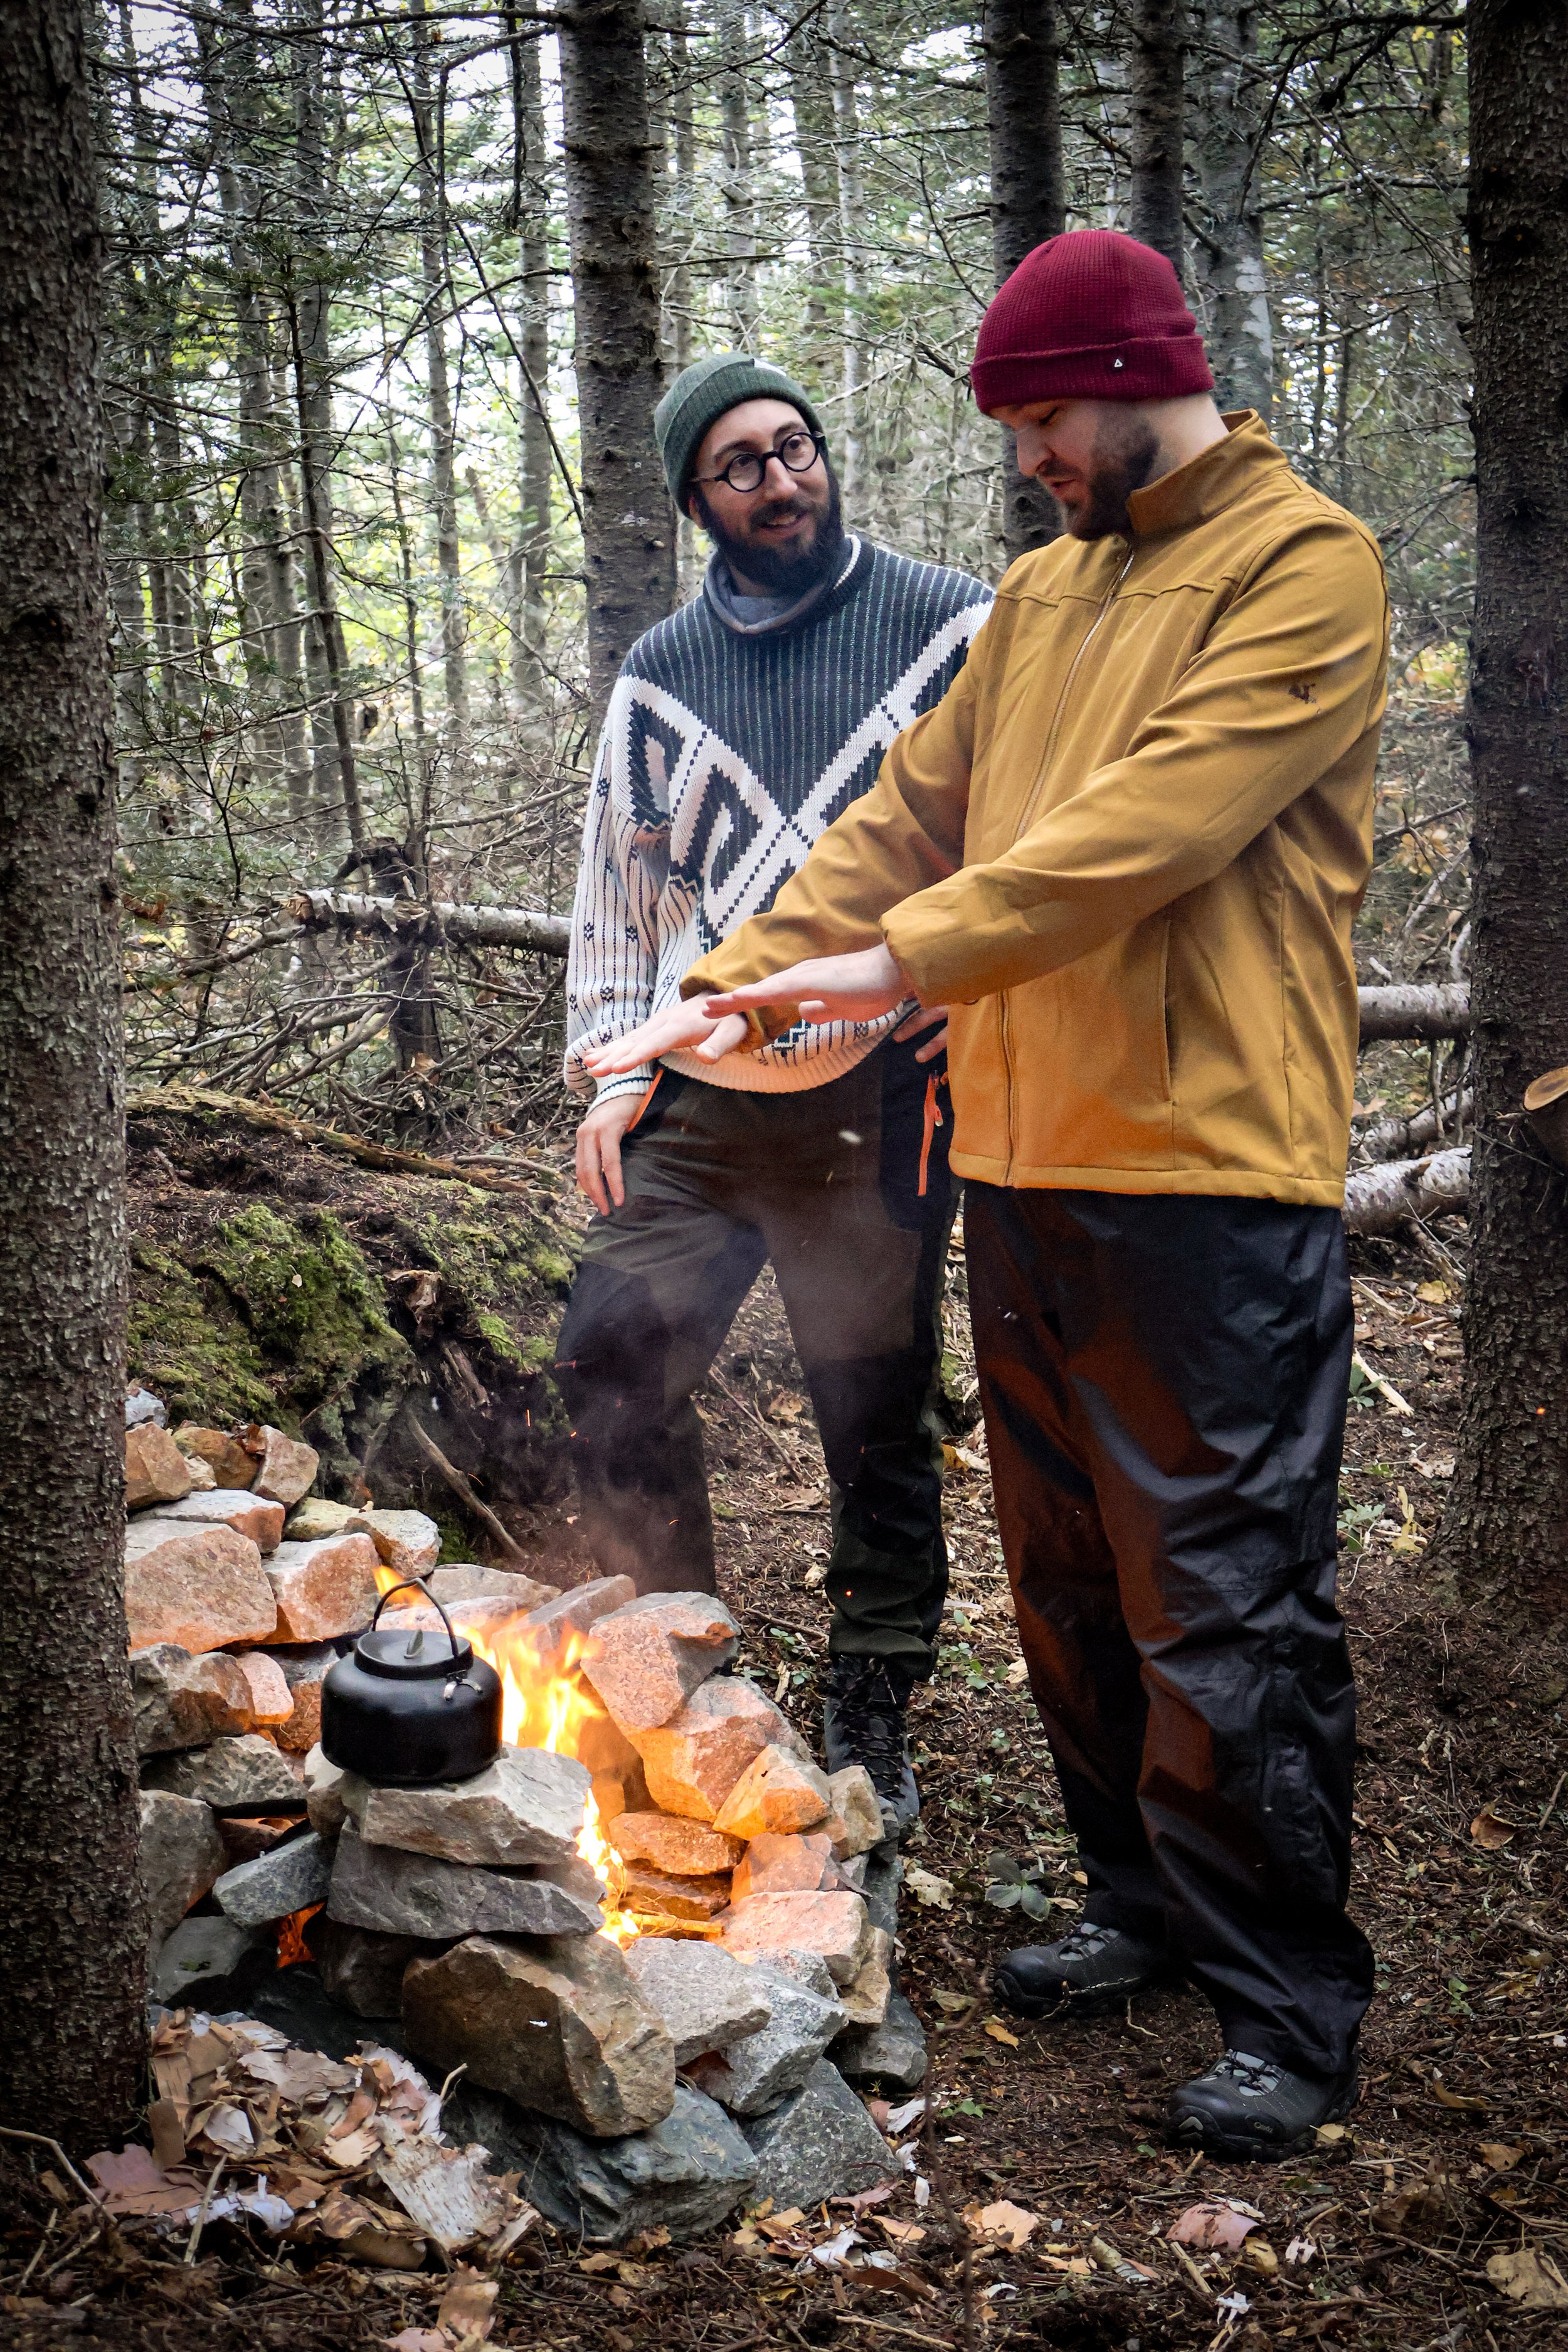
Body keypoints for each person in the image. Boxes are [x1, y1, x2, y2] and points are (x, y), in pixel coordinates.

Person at [583, 235, 1389, 2159]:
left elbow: (1144, 829)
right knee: (1068, 1577)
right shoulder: (1041, 595)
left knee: (1221, 1591)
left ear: (1126, 381)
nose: (1025, 459)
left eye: (1039, 422)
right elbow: (899, 818)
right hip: (1021, 1161)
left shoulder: (1303, 567)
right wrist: (718, 991)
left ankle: (1282, 1997)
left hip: (1208, 1172)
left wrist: (898, 963)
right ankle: (1138, 1901)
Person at [558, 351, 992, 1836]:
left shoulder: (949, 625)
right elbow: (617, 899)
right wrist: (610, 1070)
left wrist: (972, 991)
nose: (780, 478)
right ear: (696, 502)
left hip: (879, 1088)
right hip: (697, 1097)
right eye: (739, 464)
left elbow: (1022, 833)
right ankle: (677, 1660)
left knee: (872, 1404)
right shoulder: (658, 676)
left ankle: (874, 1688)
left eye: (793, 445)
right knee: (608, 1356)